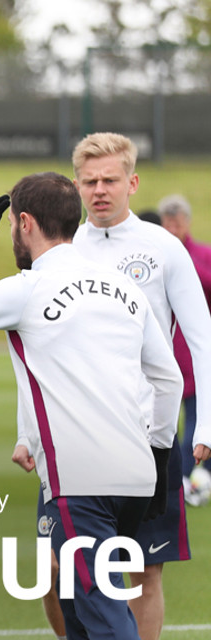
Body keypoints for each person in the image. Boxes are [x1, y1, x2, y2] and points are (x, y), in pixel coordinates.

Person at [0, 172, 182, 640]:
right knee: (76, 608)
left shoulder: (27, 287)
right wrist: (158, 451)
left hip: (80, 482)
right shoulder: (126, 289)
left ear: (24, 223)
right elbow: (167, 378)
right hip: (137, 476)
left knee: (101, 611)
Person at [67, 133, 211, 640]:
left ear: (133, 182)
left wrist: (207, 423)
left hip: (149, 435)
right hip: (76, 436)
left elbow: (201, 336)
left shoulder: (163, 248)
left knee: (143, 569)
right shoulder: (63, 251)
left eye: (110, 180)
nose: (99, 190)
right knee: (63, 572)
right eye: (89, 181)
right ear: (77, 186)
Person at [157, 194, 211, 505]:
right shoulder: (153, 253)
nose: (173, 227)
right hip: (163, 353)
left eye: (178, 222)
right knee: (164, 423)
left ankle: (188, 477)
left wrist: (183, 264)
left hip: (194, 352)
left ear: (186, 223)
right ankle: (173, 478)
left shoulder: (200, 255)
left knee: (195, 421)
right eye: (168, 222)